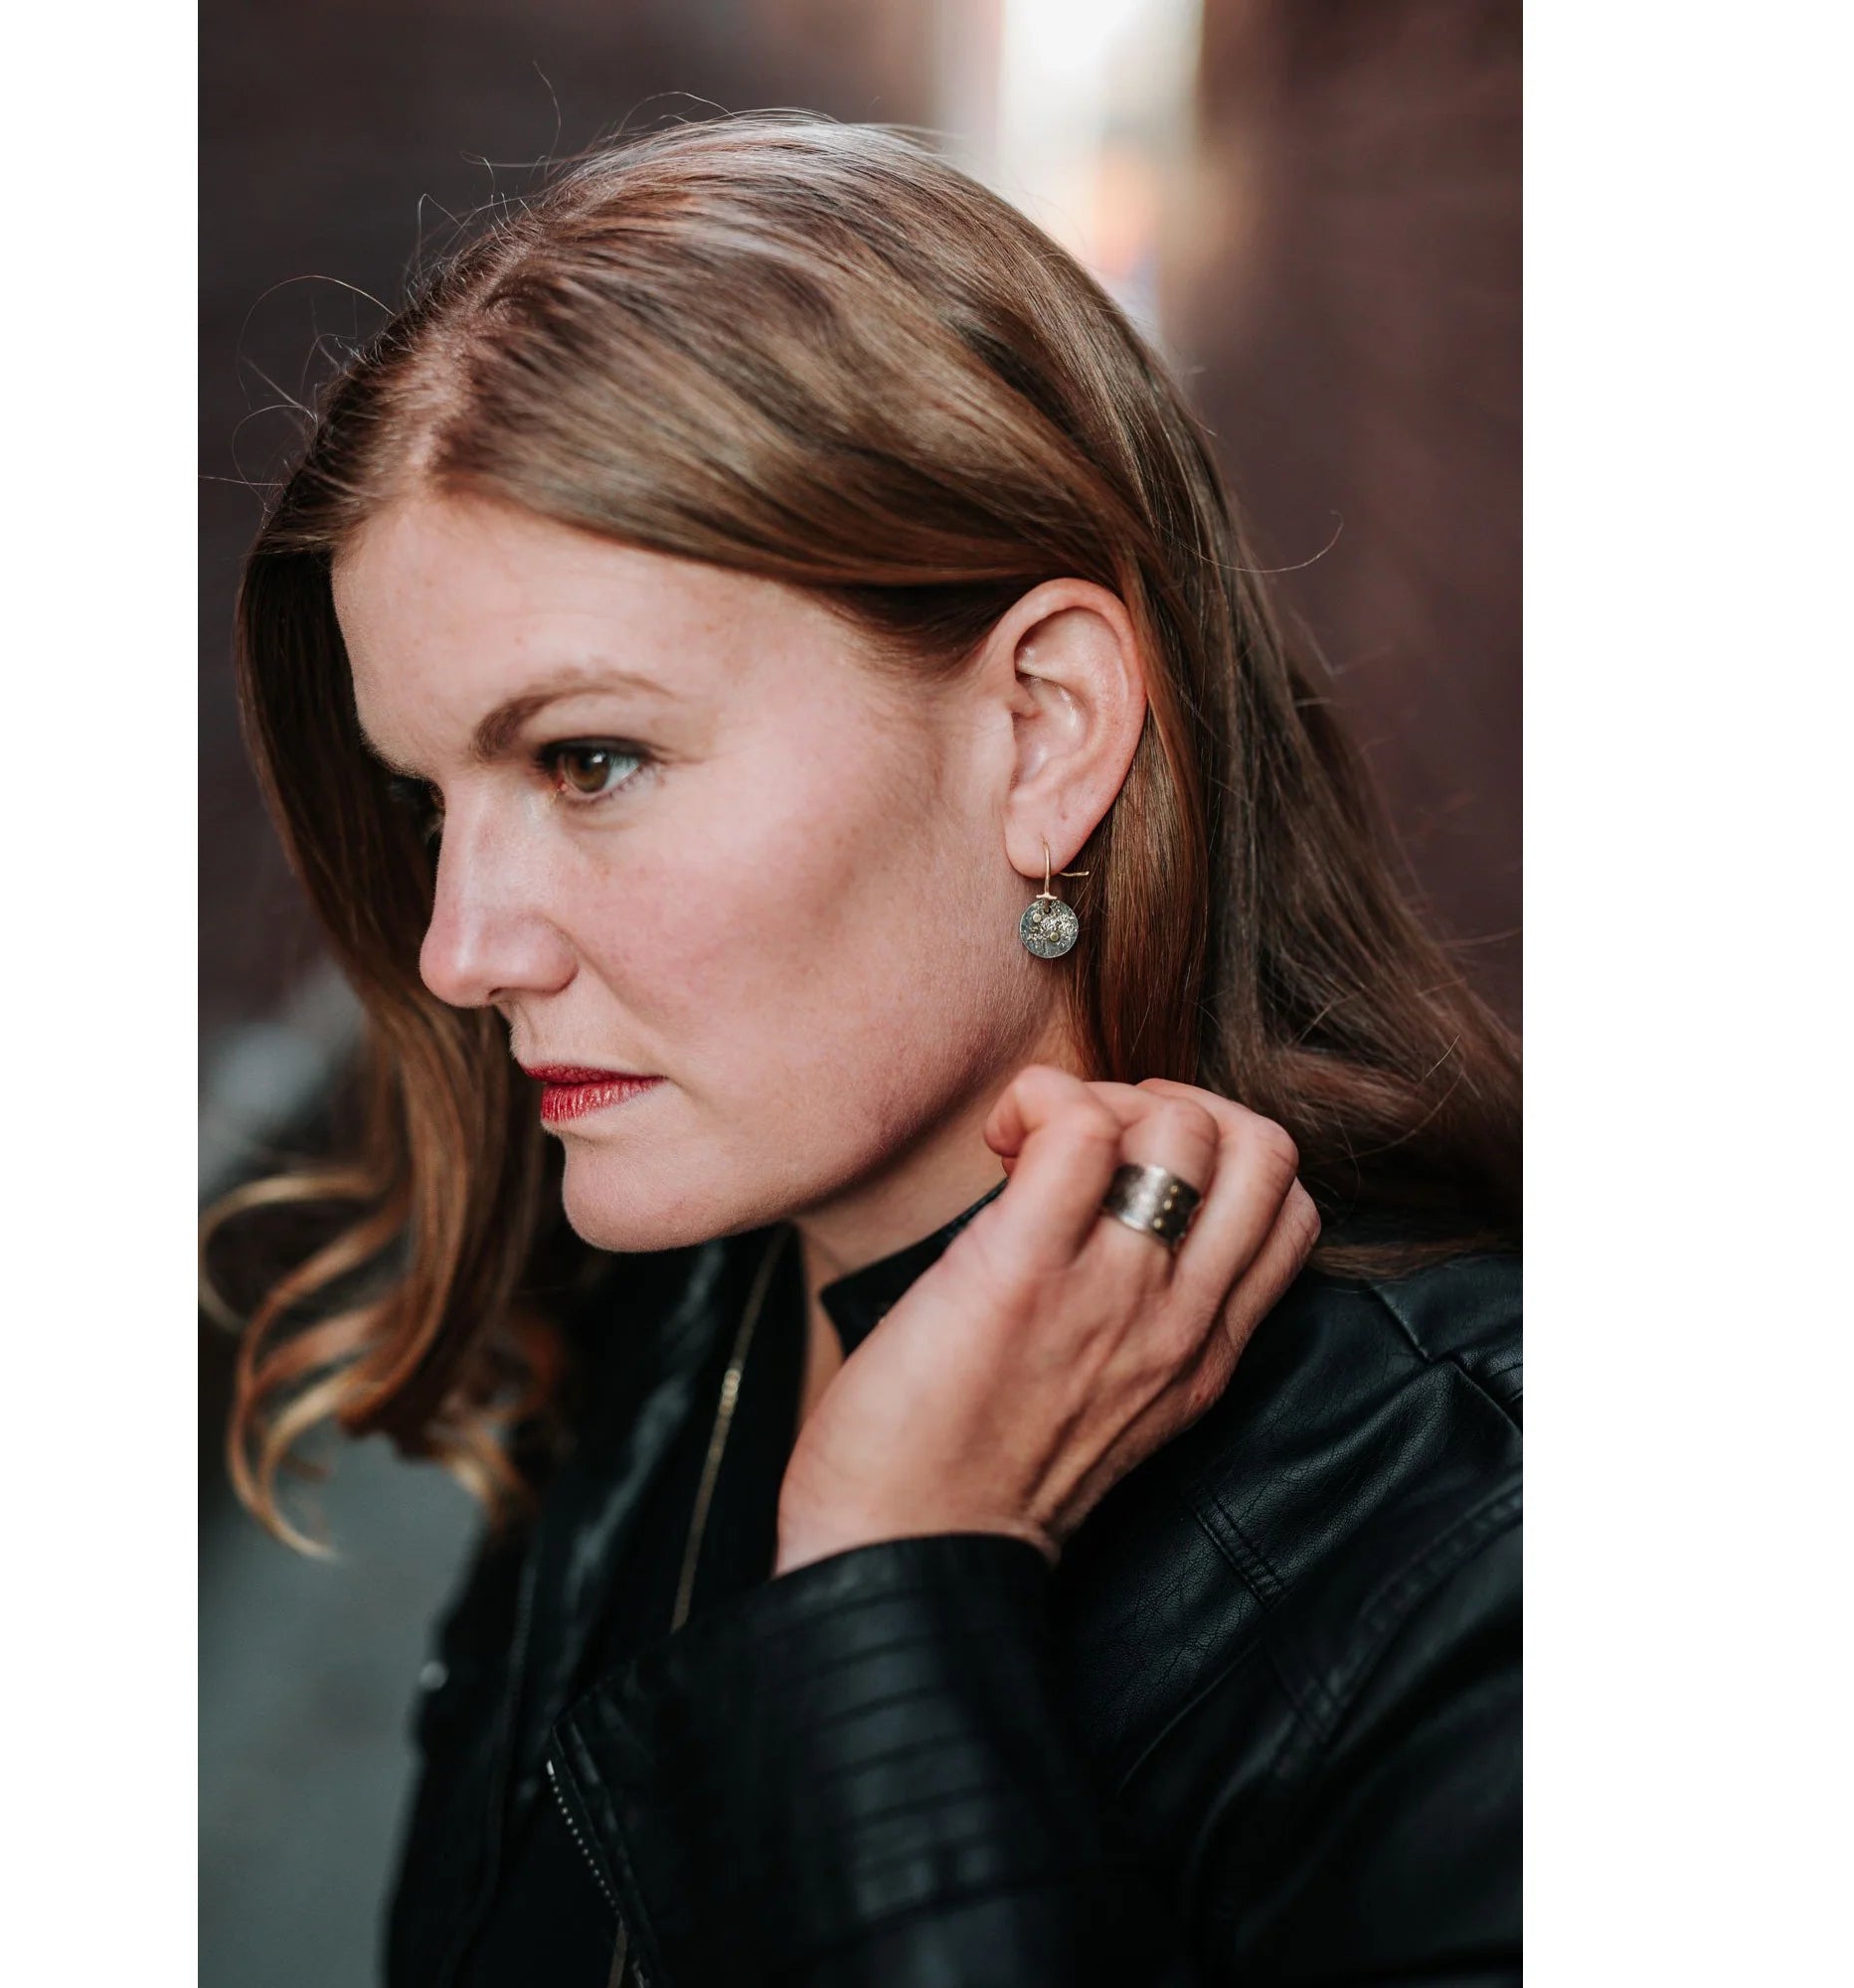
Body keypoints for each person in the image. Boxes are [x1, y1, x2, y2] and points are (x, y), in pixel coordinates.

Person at [210, 113, 1521, 1988]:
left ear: (1044, 729)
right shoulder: (658, 1305)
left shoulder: (1484, 1570)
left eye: (591, 761)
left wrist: (891, 1586)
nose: (460, 951)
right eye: (432, 802)